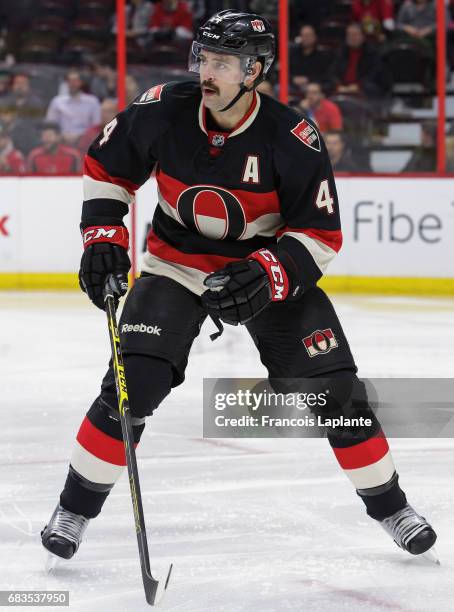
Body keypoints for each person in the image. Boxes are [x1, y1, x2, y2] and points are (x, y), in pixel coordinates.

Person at [41, 9, 437, 564]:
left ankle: (391, 507)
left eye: (224, 61)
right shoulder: (164, 109)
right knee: (132, 387)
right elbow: (108, 169)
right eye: (203, 57)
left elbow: (320, 234)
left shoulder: (292, 136)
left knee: (339, 395)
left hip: (266, 274)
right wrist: (102, 235)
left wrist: (269, 272)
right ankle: (73, 510)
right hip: (176, 265)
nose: (208, 70)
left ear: (255, 71)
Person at [329, 22, 391, 97]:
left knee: (372, 88)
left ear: (363, 36)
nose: (352, 38)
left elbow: (374, 74)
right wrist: (338, 85)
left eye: (355, 35)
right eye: (350, 35)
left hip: (363, 86)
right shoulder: (340, 52)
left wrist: (359, 85)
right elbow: (332, 72)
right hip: (342, 87)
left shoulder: (372, 53)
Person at [46, 70, 101, 145]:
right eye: (69, 81)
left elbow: (96, 125)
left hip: (86, 142)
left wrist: (79, 136)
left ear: (81, 82)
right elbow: (50, 125)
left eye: (75, 81)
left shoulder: (93, 101)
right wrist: (61, 136)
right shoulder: (57, 101)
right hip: (62, 141)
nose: (72, 84)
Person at [290, 24, 333, 91]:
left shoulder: (323, 55)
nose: (305, 38)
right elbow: (286, 71)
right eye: (303, 35)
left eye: (308, 35)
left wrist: (308, 79)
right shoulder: (293, 53)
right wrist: (293, 78)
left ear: (315, 37)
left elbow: (325, 76)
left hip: (313, 86)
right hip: (293, 85)